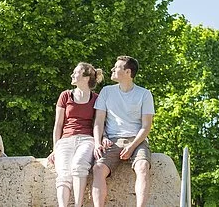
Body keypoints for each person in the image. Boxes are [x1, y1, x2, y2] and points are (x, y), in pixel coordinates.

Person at [92, 56, 154, 207]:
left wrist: (132, 147)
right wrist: (98, 142)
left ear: (127, 72)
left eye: (116, 67)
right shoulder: (106, 92)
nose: (112, 69)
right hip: (112, 139)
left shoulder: (144, 94)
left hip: (136, 140)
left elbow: (146, 126)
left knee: (143, 167)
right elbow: (98, 121)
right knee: (98, 168)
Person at [47, 62, 104, 207]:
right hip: (65, 140)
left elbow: (98, 123)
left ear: (85, 78)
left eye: (76, 72)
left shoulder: (96, 98)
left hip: (86, 139)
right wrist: (55, 149)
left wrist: (98, 143)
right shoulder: (65, 96)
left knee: (79, 166)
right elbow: (58, 125)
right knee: (64, 174)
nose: (72, 75)